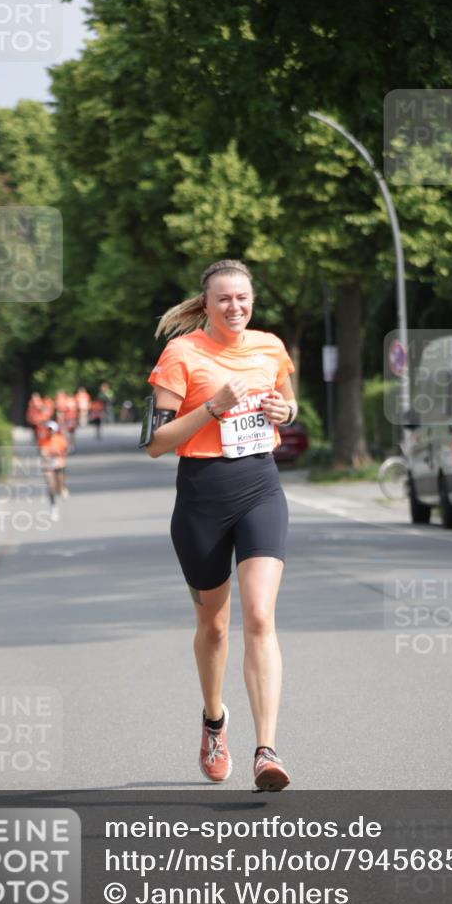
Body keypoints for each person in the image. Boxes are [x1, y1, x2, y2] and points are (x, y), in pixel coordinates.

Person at [145, 258, 298, 792]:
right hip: (202, 497)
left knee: (260, 616)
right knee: (214, 626)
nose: (236, 307)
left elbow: (288, 401)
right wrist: (212, 407)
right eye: (225, 299)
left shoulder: (270, 347)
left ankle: (266, 751)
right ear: (205, 304)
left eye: (244, 298)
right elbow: (155, 444)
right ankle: (215, 721)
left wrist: (286, 412)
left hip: (261, 486)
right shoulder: (181, 354)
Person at [38, 421, 69, 521]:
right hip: (47, 465)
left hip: (58, 464)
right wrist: (44, 454)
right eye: (48, 429)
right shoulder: (43, 440)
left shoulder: (60, 439)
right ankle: (53, 507)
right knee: (51, 486)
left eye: (51, 429)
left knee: (59, 487)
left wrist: (58, 453)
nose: (50, 431)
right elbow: (42, 451)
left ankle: (63, 488)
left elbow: (65, 450)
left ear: (55, 430)